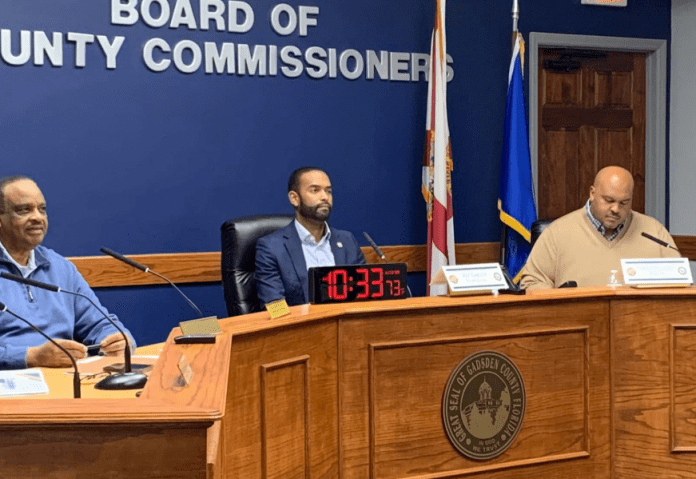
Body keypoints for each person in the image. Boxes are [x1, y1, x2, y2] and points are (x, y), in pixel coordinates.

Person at [0, 175, 135, 369]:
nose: (37, 217)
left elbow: (100, 323)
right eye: (24, 210)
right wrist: (30, 356)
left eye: (42, 209)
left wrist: (119, 340)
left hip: (65, 380)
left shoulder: (59, 267)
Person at [520, 166, 680, 290]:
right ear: (592, 193)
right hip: (576, 325)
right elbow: (532, 282)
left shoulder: (654, 232)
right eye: (609, 200)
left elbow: (680, 283)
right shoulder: (557, 232)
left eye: (624, 202)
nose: (616, 209)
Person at [255, 167, 366, 306]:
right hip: (299, 326)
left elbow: (364, 294)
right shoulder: (271, 247)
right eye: (315, 190)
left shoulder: (347, 240)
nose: (325, 197)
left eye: (328, 191)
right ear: (294, 198)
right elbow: (274, 305)